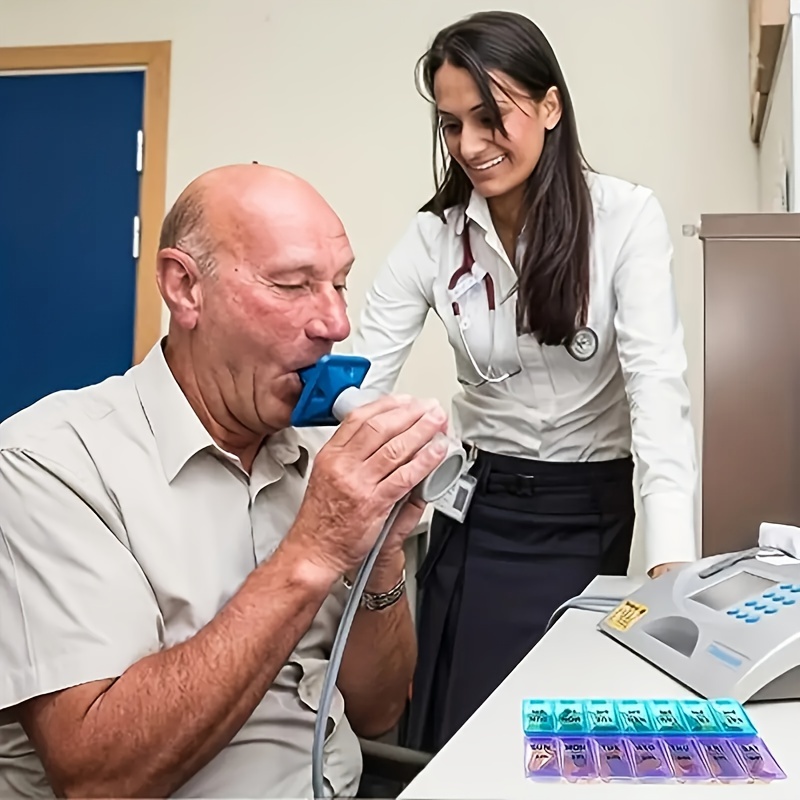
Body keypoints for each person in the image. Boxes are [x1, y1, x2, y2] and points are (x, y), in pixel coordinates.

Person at [0, 164, 452, 798]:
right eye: (293, 285)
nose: (335, 324)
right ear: (185, 288)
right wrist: (314, 550)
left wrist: (378, 560)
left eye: (340, 284)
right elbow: (98, 777)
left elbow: (378, 711)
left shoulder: (317, 452)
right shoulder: (49, 463)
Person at [350, 10, 699, 753]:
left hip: (591, 513)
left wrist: (670, 567)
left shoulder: (625, 219)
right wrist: (403, 449)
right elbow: (361, 375)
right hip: (478, 517)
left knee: (557, 743)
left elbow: (657, 391)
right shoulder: (433, 237)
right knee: (458, 737)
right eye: (450, 125)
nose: (469, 146)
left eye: (490, 118)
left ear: (548, 106)